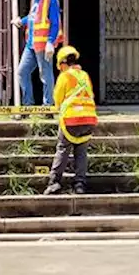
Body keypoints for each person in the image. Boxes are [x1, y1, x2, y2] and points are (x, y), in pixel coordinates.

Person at [43, 45, 97, 196]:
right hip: (88, 119)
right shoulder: (85, 75)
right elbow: (90, 94)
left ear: (63, 63)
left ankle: (54, 182)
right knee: (81, 152)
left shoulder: (64, 76)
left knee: (62, 149)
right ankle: (80, 184)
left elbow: (58, 99)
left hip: (70, 120)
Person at [13, 0, 61, 108]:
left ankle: (47, 106)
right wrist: (21, 21)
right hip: (31, 44)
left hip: (43, 44)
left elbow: (55, 22)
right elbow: (34, 16)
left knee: (45, 75)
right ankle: (28, 105)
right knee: (22, 72)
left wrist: (50, 42)